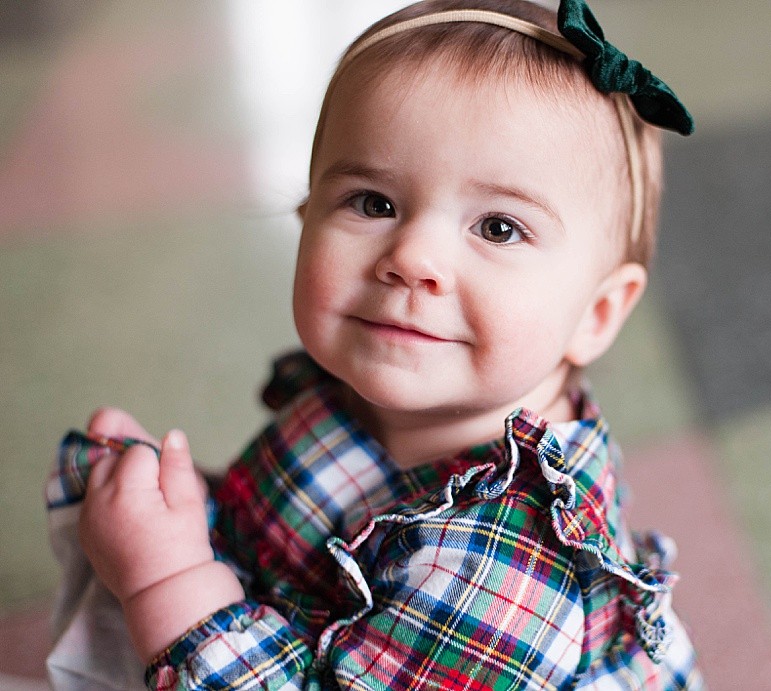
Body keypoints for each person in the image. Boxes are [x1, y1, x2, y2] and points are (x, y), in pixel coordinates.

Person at [45, 0, 702, 688]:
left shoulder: (510, 560)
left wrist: (166, 577)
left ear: (595, 313)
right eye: (373, 203)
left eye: (499, 228)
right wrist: (171, 505)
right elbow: (283, 548)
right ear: (306, 217)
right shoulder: (368, 390)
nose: (412, 255)